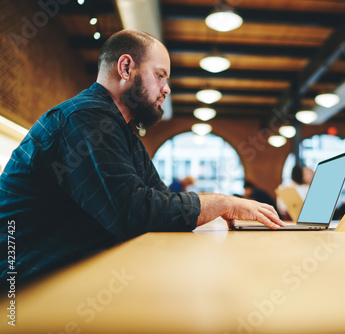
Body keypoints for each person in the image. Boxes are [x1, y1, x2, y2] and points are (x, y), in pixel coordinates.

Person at [0, 29, 285, 287]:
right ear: (126, 67)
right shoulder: (85, 119)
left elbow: (159, 202)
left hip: (62, 280)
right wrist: (222, 202)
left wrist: (216, 206)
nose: (167, 89)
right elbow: (134, 215)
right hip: (19, 291)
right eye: (160, 75)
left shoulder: (122, 132)